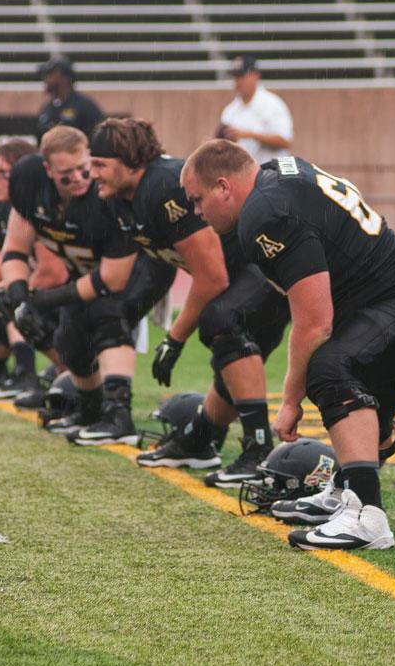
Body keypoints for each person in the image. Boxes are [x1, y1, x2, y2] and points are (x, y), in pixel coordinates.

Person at [180, 141, 395, 548]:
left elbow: (314, 324)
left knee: (329, 364)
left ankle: (366, 517)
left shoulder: (265, 212)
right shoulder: (280, 171)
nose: (196, 212)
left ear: (223, 186)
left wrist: (290, 401)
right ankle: (346, 490)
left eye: (197, 199)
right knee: (348, 368)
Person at [90, 118, 290, 481]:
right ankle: (200, 439)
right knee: (226, 354)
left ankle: (259, 449)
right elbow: (160, 260)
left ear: (128, 161)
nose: (93, 173)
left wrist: (174, 338)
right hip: (241, 274)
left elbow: (212, 276)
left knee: (222, 321)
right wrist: (128, 312)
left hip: (263, 262)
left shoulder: (163, 186)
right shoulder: (121, 199)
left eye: (100, 163)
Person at [0, 124, 172, 444]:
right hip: (90, 271)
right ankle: (91, 409)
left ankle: (119, 416)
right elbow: (14, 249)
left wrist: (44, 300)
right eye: (67, 173)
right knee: (68, 336)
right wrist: (20, 297)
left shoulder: (102, 198)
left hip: (142, 263)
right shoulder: (29, 182)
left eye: (84, 168)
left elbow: (111, 280)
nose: (79, 178)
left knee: (107, 313)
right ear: (47, 169)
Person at [217, 55, 293, 166]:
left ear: (255, 75)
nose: (238, 81)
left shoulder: (272, 104)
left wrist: (249, 134)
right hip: (245, 176)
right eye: (235, 77)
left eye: (242, 76)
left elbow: (285, 141)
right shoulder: (230, 110)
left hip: (274, 173)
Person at [35, 55, 104, 141]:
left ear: (64, 77)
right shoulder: (46, 108)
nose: (45, 79)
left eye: (50, 74)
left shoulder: (86, 106)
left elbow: (98, 138)